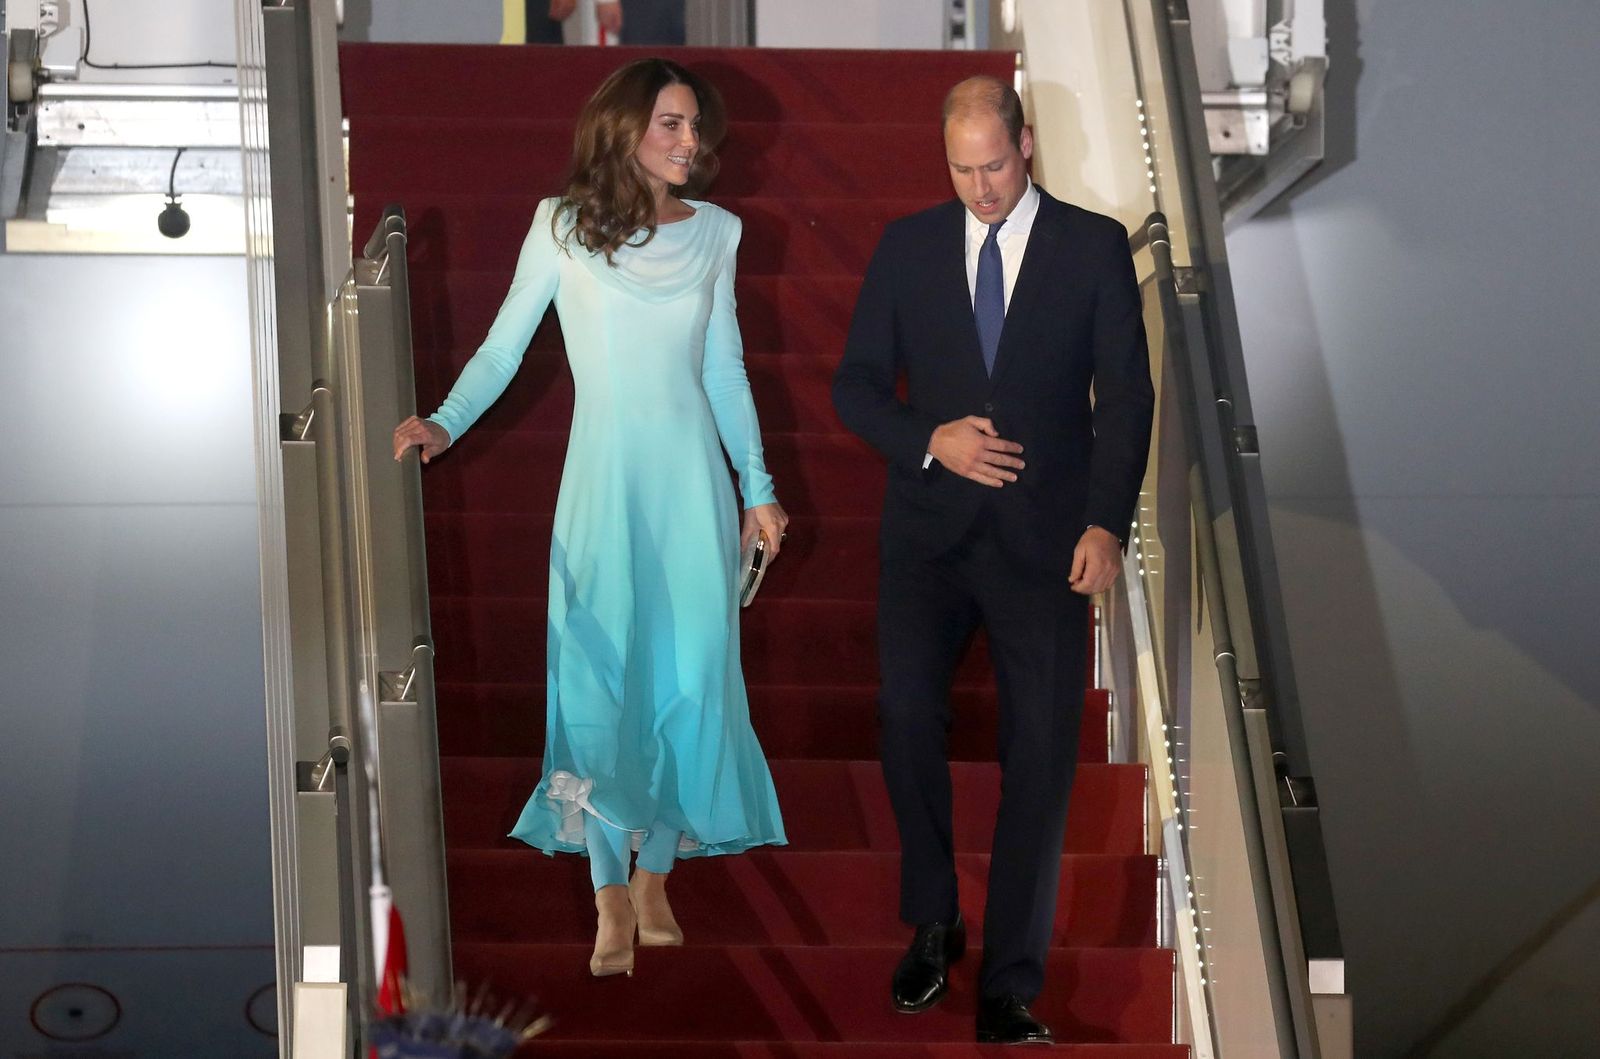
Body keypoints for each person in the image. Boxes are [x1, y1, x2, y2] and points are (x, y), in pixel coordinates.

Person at [393, 57, 789, 979]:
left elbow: (723, 370)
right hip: (603, 485)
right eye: (672, 125)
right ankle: (609, 890)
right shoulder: (562, 226)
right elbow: (504, 345)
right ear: (625, 131)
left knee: (691, 679)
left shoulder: (719, 233)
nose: (692, 142)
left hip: (692, 484)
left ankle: (656, 874)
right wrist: (446, 420)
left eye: (696, 126)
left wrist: (758, 483)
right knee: (601, 684)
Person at [831, 76, 1153, 1044]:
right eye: (961, 169)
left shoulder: (1092, 245)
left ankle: (1010, 981)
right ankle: (935, 918)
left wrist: (1106, 523)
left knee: (1041, 761)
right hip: (926, 538)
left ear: (1027, 144)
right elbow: (854, 386)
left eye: (995, 166)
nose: (979, 187)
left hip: (1045, 547)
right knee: (902, 715)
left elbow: (1126, 399)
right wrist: (930, 437)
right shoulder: (906, 247)